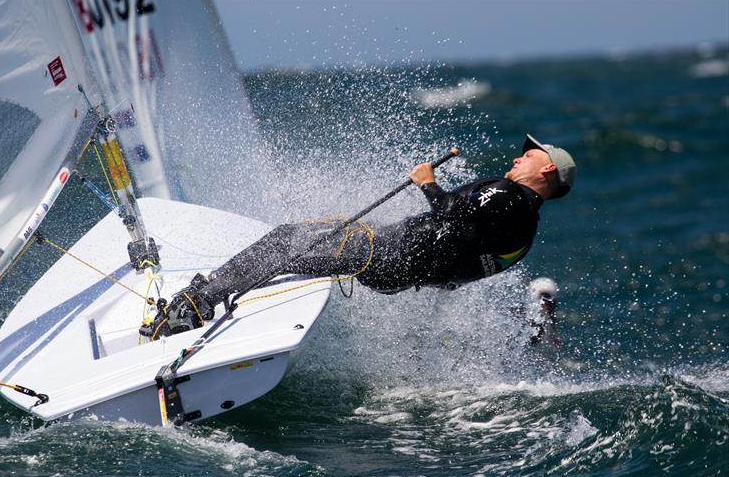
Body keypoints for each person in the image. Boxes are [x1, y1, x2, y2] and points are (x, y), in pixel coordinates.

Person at [141, 134, 577, 338]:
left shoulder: (508, 194)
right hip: (398, 272)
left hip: (386, 253)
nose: (519, 158)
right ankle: (224, 303)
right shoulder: (525, 235)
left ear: (547, 169)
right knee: (302, 257)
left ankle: (193, 304)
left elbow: (447, 211)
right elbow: (453, 275)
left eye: (529, 155)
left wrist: (426, 180)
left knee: (287, 241)